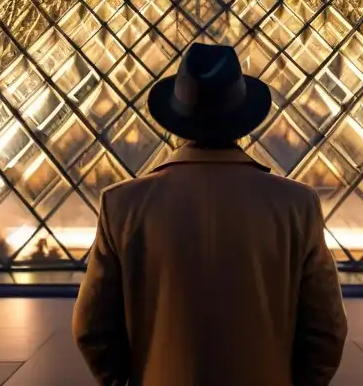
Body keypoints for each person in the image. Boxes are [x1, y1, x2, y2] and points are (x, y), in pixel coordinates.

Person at [73, 42, 348, 385]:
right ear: (242, 120)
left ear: (177, 122)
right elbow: (327, 330)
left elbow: (91, 329)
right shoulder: (297, 204)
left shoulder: (121, 205)